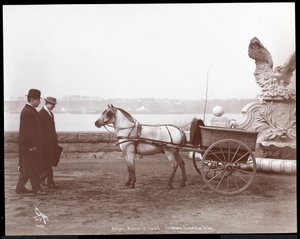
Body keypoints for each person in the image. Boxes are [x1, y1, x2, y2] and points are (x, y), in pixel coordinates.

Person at [15, 89, 47, 195]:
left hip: (29, 145)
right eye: (38, 100)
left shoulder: (29, 110)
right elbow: (28, 131)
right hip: (30, 146)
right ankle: (36, 188)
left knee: (27, 167)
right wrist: (32, 145)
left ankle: (20, 188)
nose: (39, 102)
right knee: (32, 166)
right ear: (32, 99)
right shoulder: (28, 112)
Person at [39, 96, 61, 188]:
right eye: (53, 104)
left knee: (48, 163)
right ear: (47, 103)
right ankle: (49, 182)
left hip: (51, 143)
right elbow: (39, 131)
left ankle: (42, 180)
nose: (54, 106)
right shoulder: (41, 114)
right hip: (45, 144)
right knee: (47, 163)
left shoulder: (50, 114)